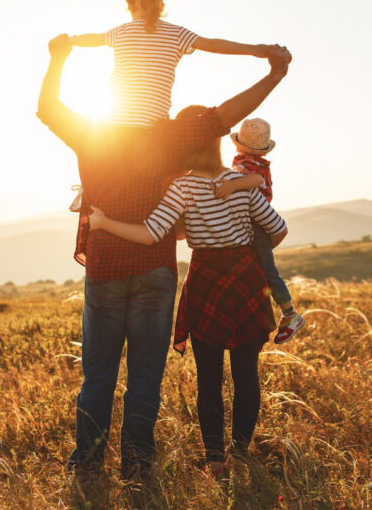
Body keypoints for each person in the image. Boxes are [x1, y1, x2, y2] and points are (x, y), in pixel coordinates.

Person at [36, 33, 291, 495]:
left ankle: (88, 466)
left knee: (98, 375)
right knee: (145, 377)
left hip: (105, 271)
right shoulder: (171, 135)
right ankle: (137, 466)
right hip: (155, 272)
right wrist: (273, 73)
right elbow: (225, 116)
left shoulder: (91, 132)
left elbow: (48, 107)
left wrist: (58, 60)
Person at [87, 134, 288, 476]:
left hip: (207, 281)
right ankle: (239, 453)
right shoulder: (239, 182)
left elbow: (152, 233)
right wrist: (248, 250)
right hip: (246, 281)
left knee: (209, 379)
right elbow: (278, 229)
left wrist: (104, 223)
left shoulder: (182, 187)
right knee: (246, 374)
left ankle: (214, 461)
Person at [69, 0, 271, 129]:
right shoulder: (177, 34)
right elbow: (214, 45)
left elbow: (93, 39)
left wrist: (69, 40)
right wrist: (255, 49)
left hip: (113, 124)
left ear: (129, 5)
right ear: (161, 4)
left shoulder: (121, 32)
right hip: (153, 127)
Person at [213, 118, 306, 343]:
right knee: (258, 269)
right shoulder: (251, 161)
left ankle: (290, 314)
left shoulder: (249, 164)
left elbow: (254, 180)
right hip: (253, 221)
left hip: (256, 222)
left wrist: (233, 185)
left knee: (267, 270)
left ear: (238, 144)